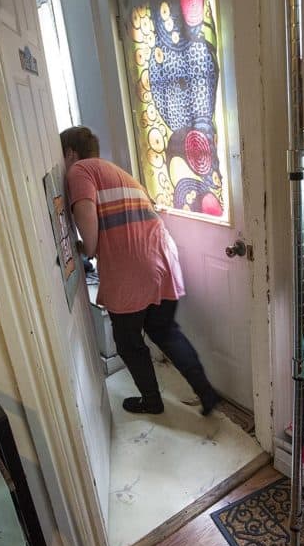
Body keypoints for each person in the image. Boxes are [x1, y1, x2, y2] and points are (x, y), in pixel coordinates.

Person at [61, 126, 221, 416]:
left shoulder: (79, 170)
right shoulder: (115, 172)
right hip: (162, 257)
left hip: (132, 267)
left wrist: (89, 248)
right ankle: (206, 393)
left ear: (71, 153)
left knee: (128, 342)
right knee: (165, 331)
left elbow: (85, 213)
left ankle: (152, 400)